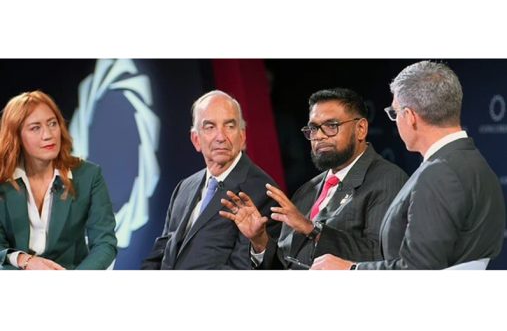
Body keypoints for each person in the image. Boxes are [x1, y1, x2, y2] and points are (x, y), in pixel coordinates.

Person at [311, 61, 506, 270]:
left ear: (410, 117)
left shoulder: (440, 173)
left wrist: (350, 269)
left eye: (395, 113)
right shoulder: (473, 162)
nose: (395, 121)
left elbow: (418, 268)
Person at [220, 88, 408, 269]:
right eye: (313, 128)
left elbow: (381, 256)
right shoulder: (307, 190)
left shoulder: (387, 179)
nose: (319, 136)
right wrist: (259, 240)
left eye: (331, 126)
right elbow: (285, 264)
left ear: (360, 128)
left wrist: (312, 229)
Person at [141, 90, 280, 269]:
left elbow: (242, 268)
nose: (221, 137)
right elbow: (162, 250)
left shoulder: (261, 190)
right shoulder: (184, 187)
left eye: (229, 126)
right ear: (196, 139)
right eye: (210, 127)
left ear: (242, 136)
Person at [0, 90, 117, 270]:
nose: (48, 135)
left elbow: (105, 243)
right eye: (35, 128)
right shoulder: (3, 181)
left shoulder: (89, 176)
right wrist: (25, 261)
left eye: (52, 124)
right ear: (17, 136)